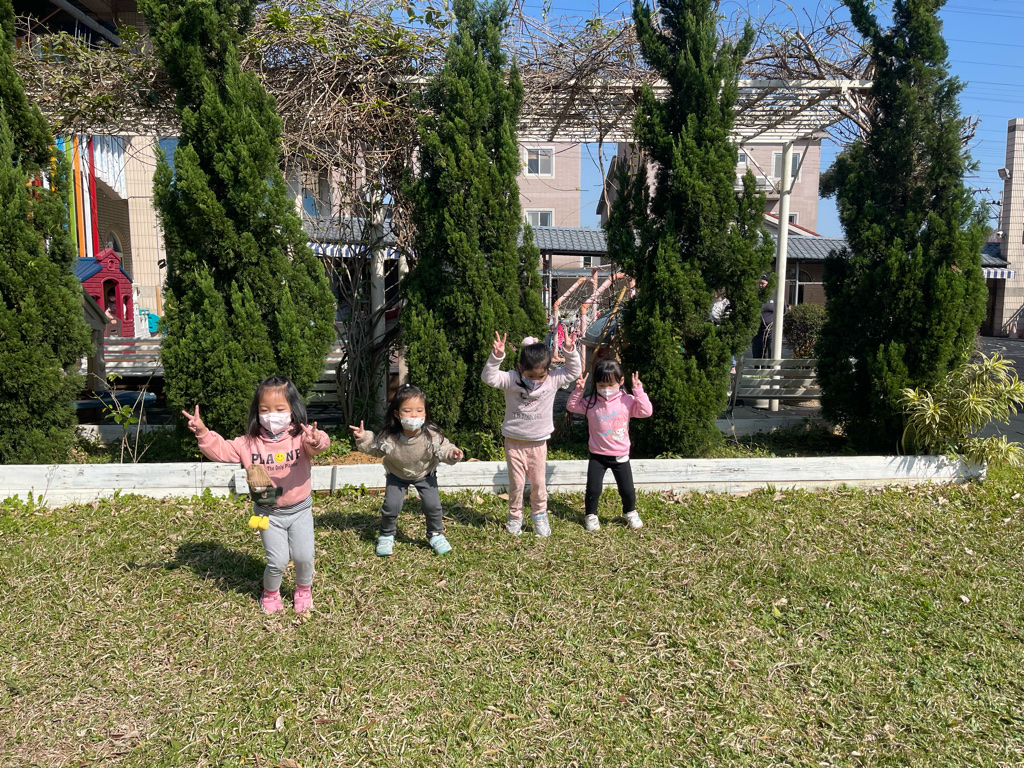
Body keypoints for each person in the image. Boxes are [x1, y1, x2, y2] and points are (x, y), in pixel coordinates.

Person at [182, 376, 330, 615]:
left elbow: (320, 443)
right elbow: (221, 450)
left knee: (304, 557)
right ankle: (270, 593)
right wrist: (203, 432)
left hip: (300, 510)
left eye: (280, 409)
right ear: (256, 412)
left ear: (293, 409)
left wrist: (317, 439)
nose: (272, 415)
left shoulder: (302, 438)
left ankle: (303, 590)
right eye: (265, 410)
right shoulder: (247, 444)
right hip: (268, 514)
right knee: (277, 561)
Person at [482, 331, 582, 537]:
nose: (536, 381)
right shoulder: (511, 379)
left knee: (538, 484)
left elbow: (574, 372)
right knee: (517, 484)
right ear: (521, 368)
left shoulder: (552, 379)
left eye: (540, 376)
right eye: (530, 376)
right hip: (514, 442)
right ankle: (515, 516)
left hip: (538, 443)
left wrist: (570, 351)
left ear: (548, 370)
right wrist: (496, 357)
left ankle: (539, 515)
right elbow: (488, 377)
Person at [349, 385, 464, 557]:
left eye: (419, 410)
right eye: (408, 411)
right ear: (397, 414)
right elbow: (375, 448)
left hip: (425, 474)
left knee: (433, 506)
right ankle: (386, 535)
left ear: (425, 412)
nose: (414, 415)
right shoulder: (390, 436)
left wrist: (452, 454)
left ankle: (435, 535)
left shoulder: (431, 435)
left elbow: (444, 448)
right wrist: (363, 437)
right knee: (391, 506)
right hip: (396, 475)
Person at [566, 359, 653, 531]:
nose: (606, 389)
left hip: (620, 455)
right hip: (597, 455)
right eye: (601, 385)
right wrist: (578, 390)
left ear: (621, 381)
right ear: (595, 383)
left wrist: (638, 391)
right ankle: (591, 515)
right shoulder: (591, 402)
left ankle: (630, 512)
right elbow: (572, 406)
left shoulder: (627, 401)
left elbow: (646, 411)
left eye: (611, 384)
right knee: (593, 489)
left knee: (627, 489)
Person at [753, 273, 774, 359]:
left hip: (771, 331)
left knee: (772, 352)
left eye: (763, 283)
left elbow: (783, 311)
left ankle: (770, 367)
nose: (760, 285)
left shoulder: (775, 296)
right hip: (758, 331)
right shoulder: (756, 296)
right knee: (757, 353)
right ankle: (758, 367)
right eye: (759, 283)